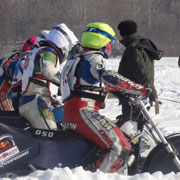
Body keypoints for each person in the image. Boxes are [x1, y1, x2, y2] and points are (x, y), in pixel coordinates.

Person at [60, 22, 149, 173]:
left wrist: (121, 93)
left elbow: (87, 87)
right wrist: (141, 89)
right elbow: (111, 77)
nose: (111, 46)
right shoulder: (95, 59)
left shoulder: (77, 59)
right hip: (83, 112)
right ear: (102, 40)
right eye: (110, 42)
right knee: (120, 147)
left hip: (71, 114)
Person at [19, 23, 79, 130]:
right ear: (63, 43)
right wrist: (67, 83)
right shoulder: (49, 52)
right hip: (36, 102)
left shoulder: (37, 51)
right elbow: (47, 70)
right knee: (52, 135)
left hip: (30, 100)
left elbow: (41, 79)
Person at [116, 20, 163, 121]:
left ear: (123, 34)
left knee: (132, 127)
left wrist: (151, 93)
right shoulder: (142, 44)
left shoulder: (133, 48)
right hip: (140, 94)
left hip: (134, 96)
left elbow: (142, 73)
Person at [0, 36, 41, 111]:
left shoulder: (15, 53)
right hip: (4, 94)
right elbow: (7, 66)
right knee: (11, 119)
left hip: (8, 94)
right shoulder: (20, 56)